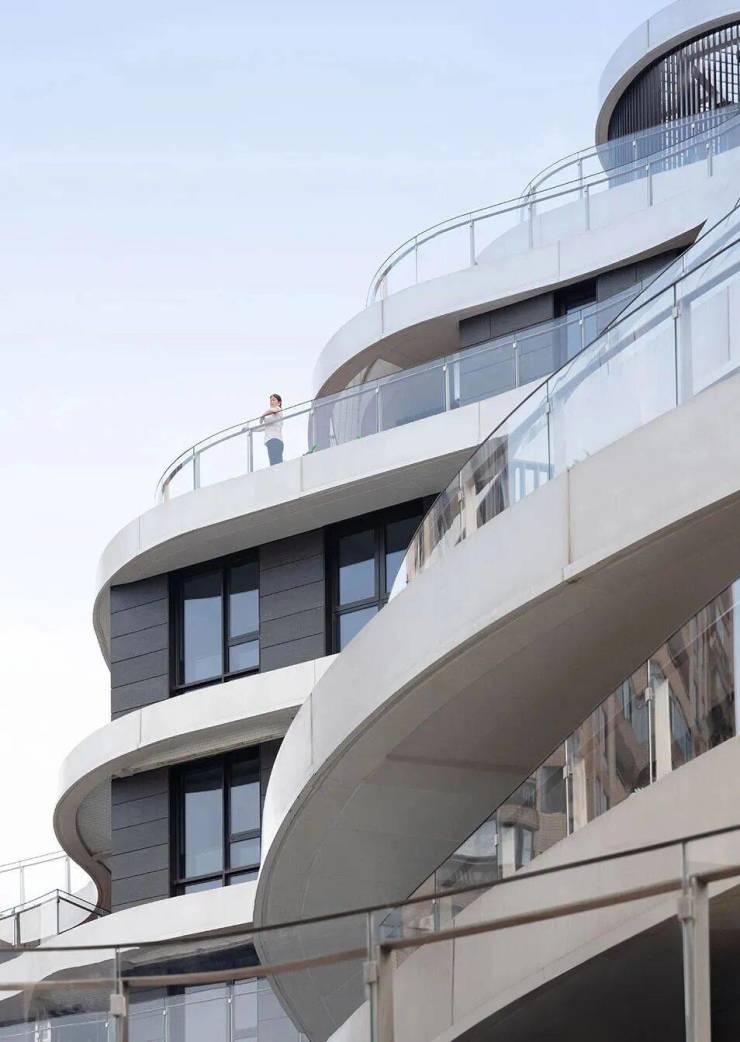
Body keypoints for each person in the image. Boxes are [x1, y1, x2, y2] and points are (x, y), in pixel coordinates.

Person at [261, 394, 284, 465]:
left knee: (276, 464)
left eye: (273, 400)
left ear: (279, 402)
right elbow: (264, 427)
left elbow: (274, 410)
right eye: (270, 400)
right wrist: (249, 429)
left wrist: (263, 415)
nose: (271, 402)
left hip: (275, 440)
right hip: (271, 441)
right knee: (273, 464)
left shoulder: (278, 409)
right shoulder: (271, 415)